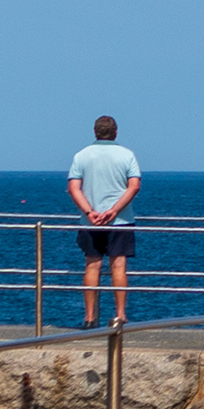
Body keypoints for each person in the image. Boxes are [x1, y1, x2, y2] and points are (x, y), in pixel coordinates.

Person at [67, 116, 142, 325]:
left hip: (90, 222)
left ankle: (90, 317)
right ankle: (120, 315)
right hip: (121, 220)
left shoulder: (81, 156)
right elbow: (134, 186)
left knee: (92, 266)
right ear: (115, 132)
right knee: (118, 267)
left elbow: (74, 188)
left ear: (95, 132)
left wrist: (90, 212)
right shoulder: (127, 155)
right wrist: (114, 210)